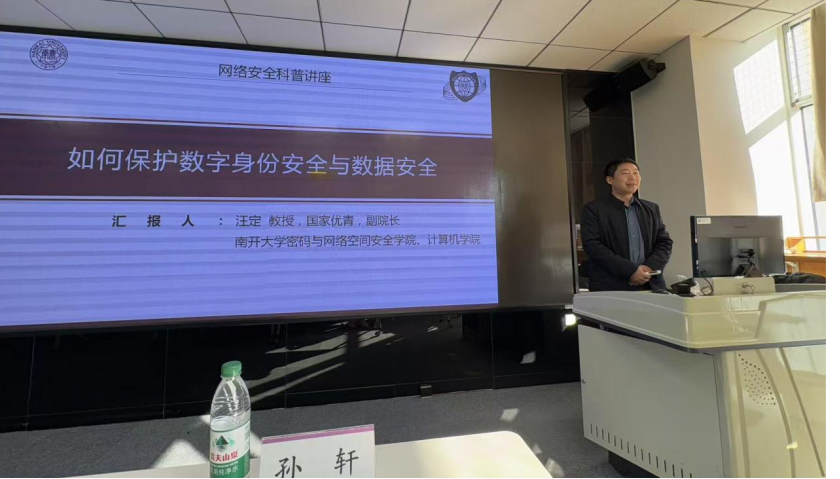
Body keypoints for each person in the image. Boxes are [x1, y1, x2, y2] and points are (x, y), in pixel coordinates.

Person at [581, 159, 673, 292]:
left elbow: (664, 242)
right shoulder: (594, 209)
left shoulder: (651, 208)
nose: (632, 177)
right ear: (610, 180)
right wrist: (631, 271)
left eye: (636, 173)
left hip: (650, 284)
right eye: (625, 173)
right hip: (611, 286)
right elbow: (593, 246)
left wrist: (648, 268)